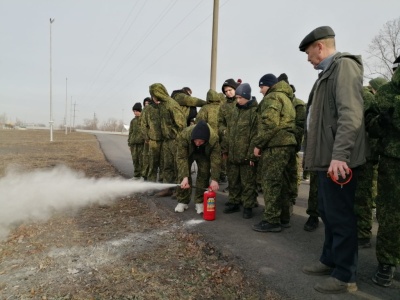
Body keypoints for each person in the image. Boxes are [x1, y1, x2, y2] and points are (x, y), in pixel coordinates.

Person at [299, 26, 366, 294]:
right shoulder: (326, 73)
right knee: (328, 212)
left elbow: (350, 114)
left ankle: (345, 275)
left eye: (308, 52)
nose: (307, 58)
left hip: (338, 161)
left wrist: (340, 156)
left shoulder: (344, 67)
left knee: (340, 216)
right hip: (326, 160)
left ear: (319, 47)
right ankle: (330, 259)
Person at [365, 56, 400, 287]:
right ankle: (386, 263)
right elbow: (370, 123)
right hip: (393, 162)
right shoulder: (387, 91)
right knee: (390, 215)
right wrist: (382, 121)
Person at [252, 73, 297, 232]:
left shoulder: (272, 98)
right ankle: (283, 217)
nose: (260, 91)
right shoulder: (287, 98)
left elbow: (269, 123)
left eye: (261, 87)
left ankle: (271, 220)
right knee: (284, 182)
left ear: (269, 85)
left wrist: (258, 144)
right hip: (289, 144)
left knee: (271, 182)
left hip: (276, 145)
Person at [354, 78, 387, 248]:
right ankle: (361, 231)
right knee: (363, 193)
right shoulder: (367, 96)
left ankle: (363, 233)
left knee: (362, 194)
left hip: (365, 154)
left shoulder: (365, 97)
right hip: (367, 153)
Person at [222, 83, 258, 219]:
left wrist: (251, 156)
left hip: (246, 156)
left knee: (248, 183)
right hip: (233, 154)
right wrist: (225, 149)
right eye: (236, 98)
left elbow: (255, 136)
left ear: (246, 96)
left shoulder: (254, 112)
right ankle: (234, 202)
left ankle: (248, 206)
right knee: (233, 180)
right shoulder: (235, 111)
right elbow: (229, 132)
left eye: (240, 98)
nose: (237, 100)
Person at [175, 120, 221, 213]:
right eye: (196, 141)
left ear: (206, 140)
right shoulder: (184, 135)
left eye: (200, 141)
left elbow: (216, 160)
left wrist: (215, 179)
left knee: (204, 174)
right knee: (183, 175)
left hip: (204, 154)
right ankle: (183, 201)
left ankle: (199, 202)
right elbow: (181, 158)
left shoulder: (214, 139)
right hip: (188, 153)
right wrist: (185, 177)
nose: (197, 143)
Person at [149, 83, 186, 197]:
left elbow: (181, 124)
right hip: (166, 140)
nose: (153, 97)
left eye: (153, 94)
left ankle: (179, 189)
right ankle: (167, 188)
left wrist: (175, 135)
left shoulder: (171, 104)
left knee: (177, 166)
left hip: (175, 140)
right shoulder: (162, 106)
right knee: (167, 165)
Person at [218, 78, 241, 187]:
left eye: (230, 90)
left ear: (235, 89)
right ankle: (232, 190)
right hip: (228, 141)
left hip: (242, 141)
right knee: (230, 167)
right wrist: (223, 130)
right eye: (226, 91)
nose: (228, 93)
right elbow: (220, 122)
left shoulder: (242, 101)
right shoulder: (223, 106)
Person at [140, 96, 163, 185]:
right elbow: (143, 124)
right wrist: (146, 137)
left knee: (163, 164)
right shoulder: (148, 109)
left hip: (164, 140)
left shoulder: (164, 107)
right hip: (152, 140)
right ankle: (151, 184)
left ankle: (161, 184)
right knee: (152, 164)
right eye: (155, 97)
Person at [128, 102, 144, 179]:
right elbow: (130, 132)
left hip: (142, 144)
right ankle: (136, 175)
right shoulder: (133, 121)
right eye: (134, 111)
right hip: (133, 144)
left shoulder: (144, 119)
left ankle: (143, 176)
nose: (135, 113)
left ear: (140, 110)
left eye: (136, 111)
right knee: (135, 160)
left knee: (142, 160)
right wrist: (129, 144)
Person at [140, 97, 152, 180]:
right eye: (145, 104)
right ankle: (144, 175)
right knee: (145, 157)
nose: (146, 105)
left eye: (148, 103)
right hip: (147, 139)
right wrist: (146, 137)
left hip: (153, 139)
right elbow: (142, 125)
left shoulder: (152, 111)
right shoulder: (143, 113)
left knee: (151, 159)